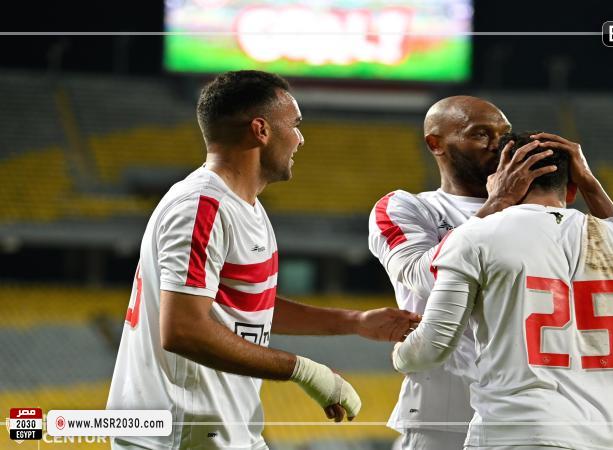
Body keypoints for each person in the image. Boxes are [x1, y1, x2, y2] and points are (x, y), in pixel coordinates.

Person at [107, 70, 420, 450]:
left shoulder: (244, 206)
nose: (301, 139)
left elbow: (247, 307)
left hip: (225, 432)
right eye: (295, 125)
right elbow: (182, 330)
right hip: (180, 436)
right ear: (261, 130)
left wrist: (353, 321)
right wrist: (305, 371)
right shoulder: (201, 207)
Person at [392, 132, 613, 450]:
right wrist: (581, 365)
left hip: (511, 436)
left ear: (498, 181)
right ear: (572, 188)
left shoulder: (475, 237)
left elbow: (433, 347)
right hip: (604, 440)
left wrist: (401, 355)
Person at [368, 96, 613, 450]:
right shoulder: (408, 206)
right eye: (481, 134)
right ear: (435, 143)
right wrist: (499, 202)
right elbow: (420, 276)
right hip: (444, 414)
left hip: (528, 416)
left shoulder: (541, 214)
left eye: (504, 133)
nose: (499, 144)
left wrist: (588, 184)